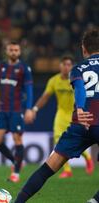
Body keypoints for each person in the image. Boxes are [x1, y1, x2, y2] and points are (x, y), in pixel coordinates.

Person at [15, 28, 99, 203]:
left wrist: (82, 108)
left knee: (48, 167)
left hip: (79, 124)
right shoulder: (55, 79)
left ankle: (18, 202)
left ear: (84, 49)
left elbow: (81, 88)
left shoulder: (77, 68)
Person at [33, 56, 94, 178]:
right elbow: (45, 97)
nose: (67, 67)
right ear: (60, 66)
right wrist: (34, 109)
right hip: (61, 113)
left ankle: (88, 158)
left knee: (77, 140)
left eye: (69, 65)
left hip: (75, 113)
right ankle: (67, 170)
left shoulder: (76, 78)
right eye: (64, 64)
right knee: (58, 139)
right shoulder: (54, 81)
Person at [0, 42, 34, 183]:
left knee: (17, 139)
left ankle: (16, 174)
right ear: (7, 51)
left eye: (16, 50)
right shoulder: (1, 67)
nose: (13, 52)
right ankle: (16, 161)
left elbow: (29, 90)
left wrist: (29, 109)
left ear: (19, 52)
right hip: (2, 110)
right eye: (11, 50)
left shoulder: (24, 68)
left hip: (16, 110)